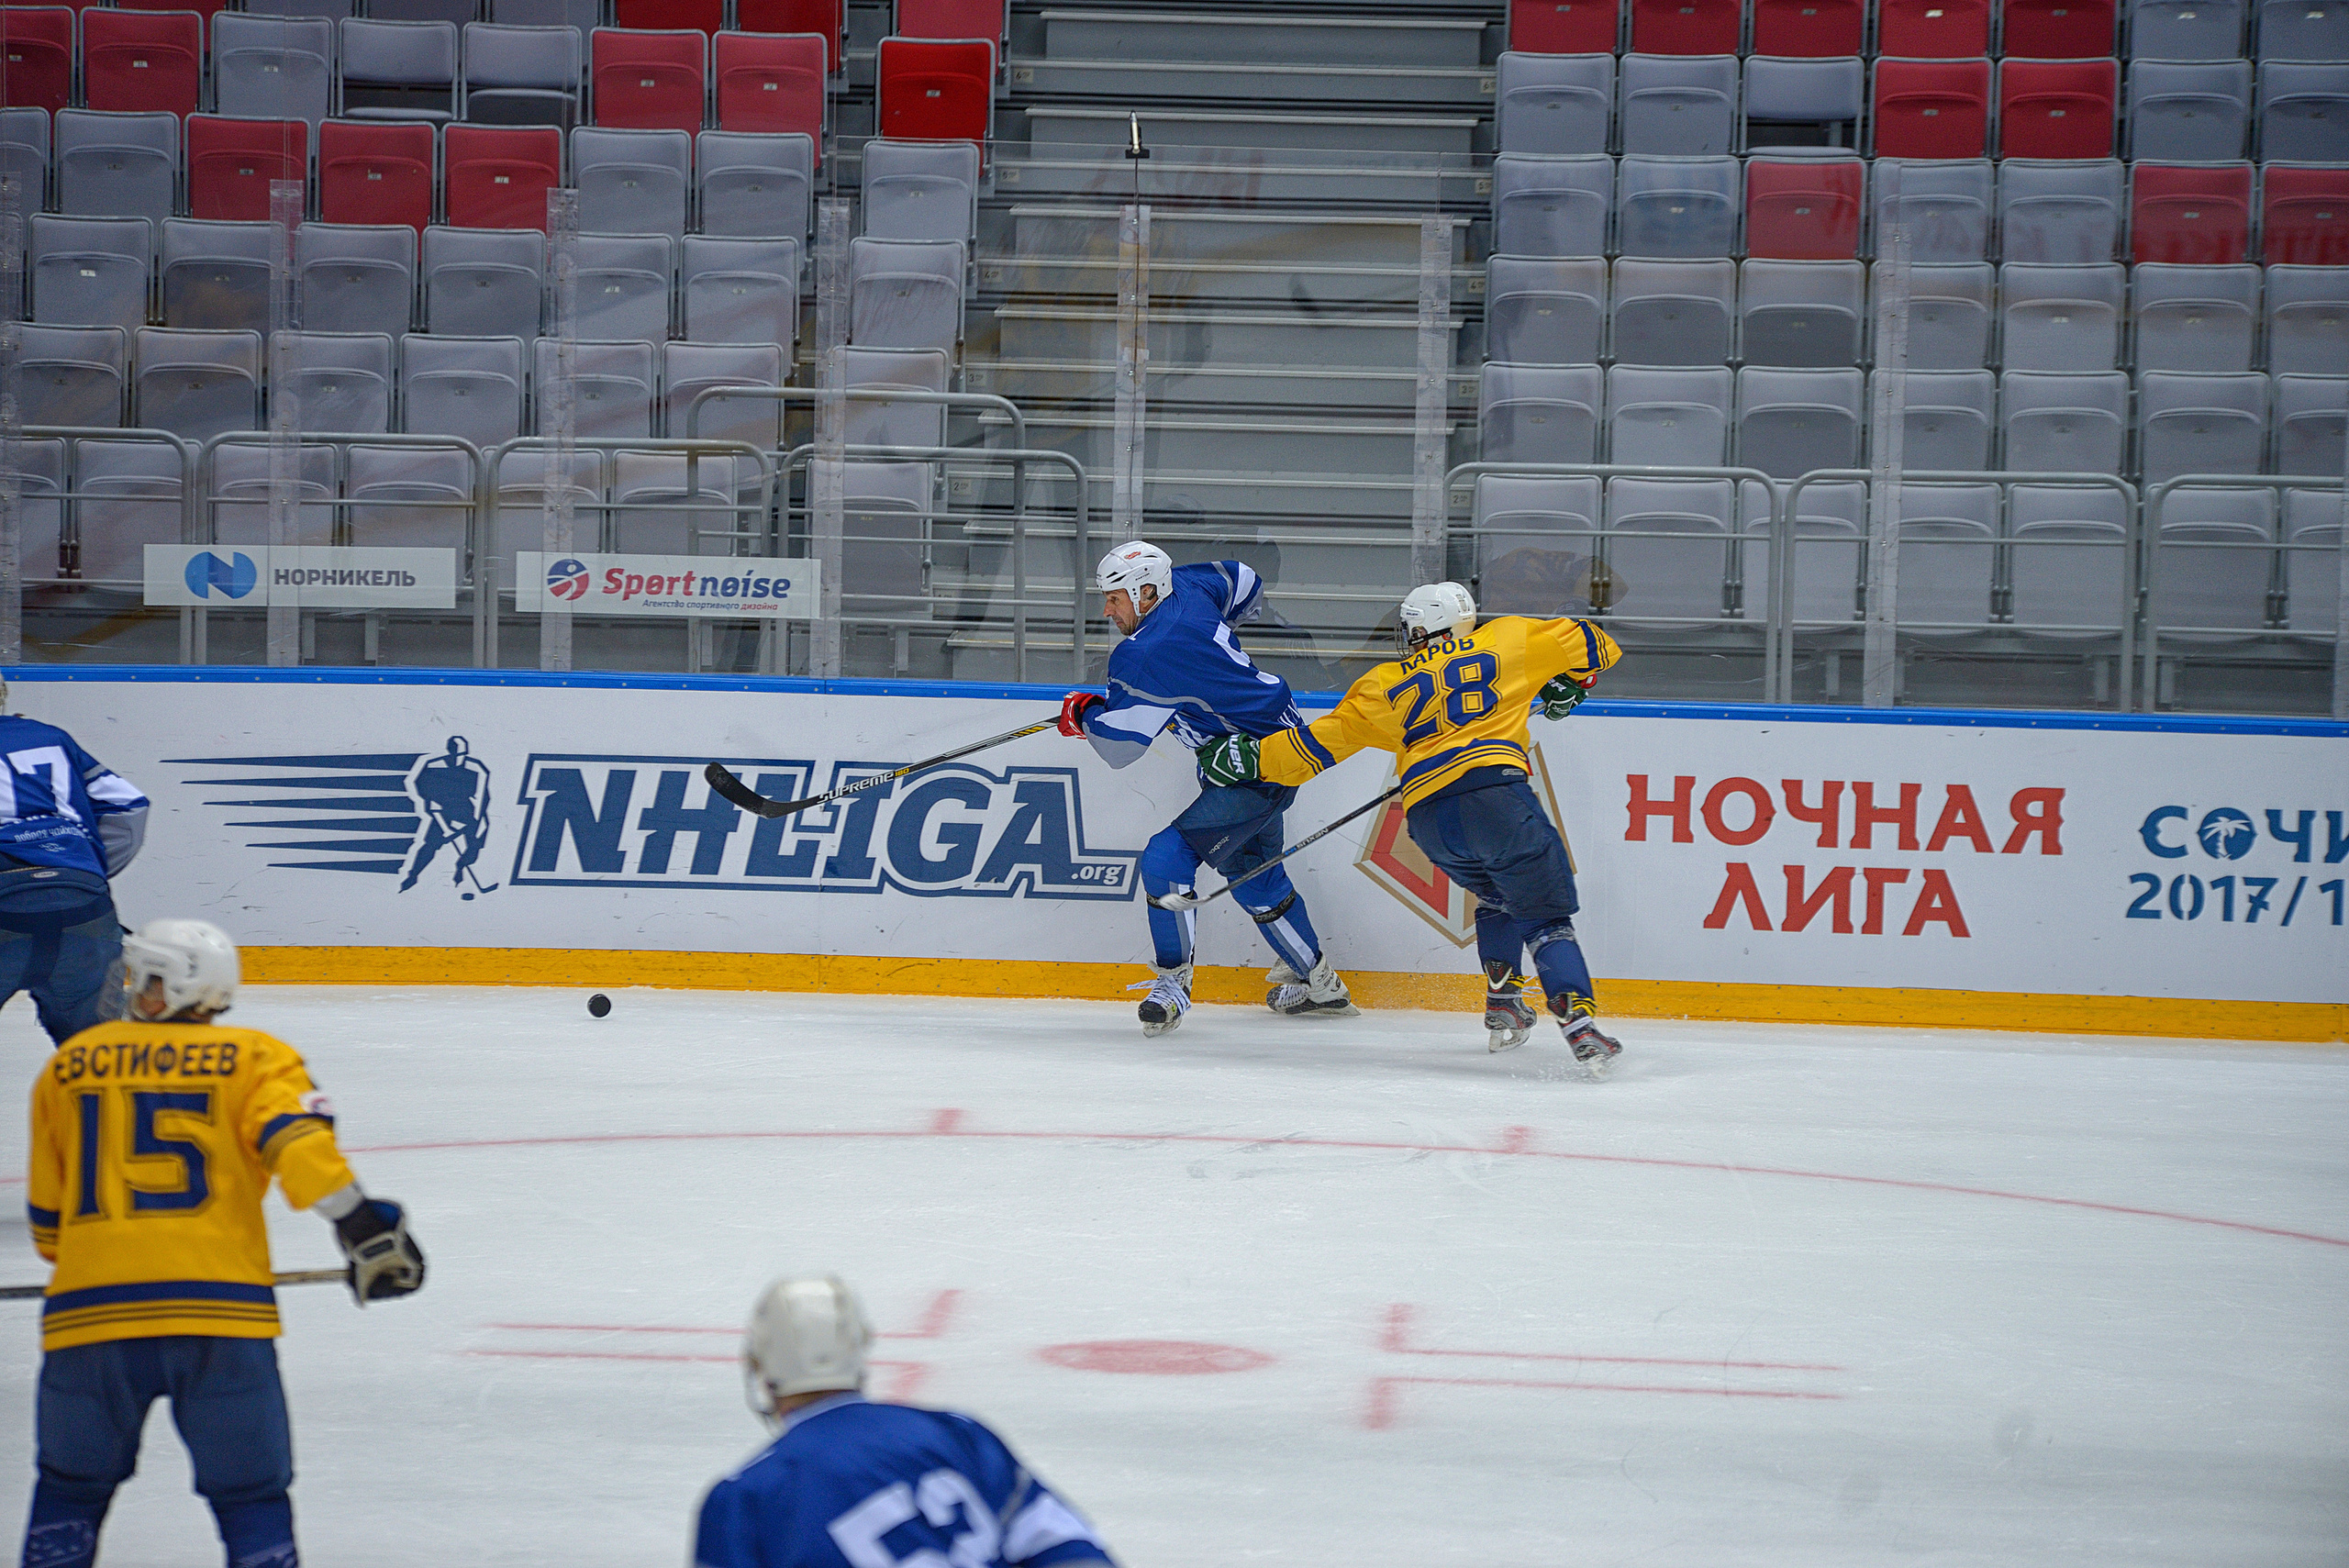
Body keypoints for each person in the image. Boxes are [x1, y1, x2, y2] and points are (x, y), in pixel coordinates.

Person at [22, 919, 426, 1568]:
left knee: (69, 1491)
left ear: (166, 985)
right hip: (222, 1319)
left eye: (142, 977)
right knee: (250, 1496)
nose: (132, 988)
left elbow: (47, 1228)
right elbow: (303, 1153)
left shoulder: (69, 1066)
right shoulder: (257, 1057)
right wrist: (365, 1229)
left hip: (89, 1320)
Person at [1197, 583, 1628, 1073]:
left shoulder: (1382, 682)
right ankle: (1581, 1028)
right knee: (1546, 919)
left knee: (1499, 897)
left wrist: (1249, 758)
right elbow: (1600, 645)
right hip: (1496, 798)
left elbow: (1311, 750)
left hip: (1427, 818)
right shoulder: (1511, 638)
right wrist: (1570, 678)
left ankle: (1504, 1000)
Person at [1057, 540, 1354, 1037]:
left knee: (1163, 860)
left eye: (1114, 598)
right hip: (1283, 742)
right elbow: (1244, 579)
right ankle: (1320, 983)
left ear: (1146, 591)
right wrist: (1216, 666)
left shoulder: (1144, 653)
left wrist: (1085, 713)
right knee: (1255, 877)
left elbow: (1120, 749)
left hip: (1255, 768)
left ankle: (1173, 983)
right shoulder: (1191, 585)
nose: (1106, 609)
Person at [695, 1275, 1115, 1568]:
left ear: (762, 1371)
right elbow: (1065, 1546)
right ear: (859, 1350)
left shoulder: (743, 1500)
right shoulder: (956, 1434)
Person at [0, 680, 150, 1044]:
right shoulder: (50, 737)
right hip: (85, 908)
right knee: (96, 1058)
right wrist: (80, 868)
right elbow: (129, 806)